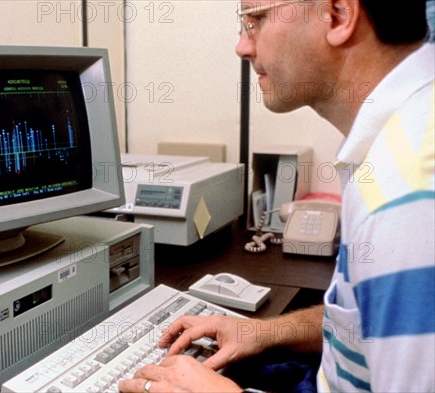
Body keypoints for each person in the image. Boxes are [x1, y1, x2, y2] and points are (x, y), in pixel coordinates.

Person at [119, 0, 434, 391]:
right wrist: (265, 332)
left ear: (338, 14)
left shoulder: (411, 187)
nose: (242, 46)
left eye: (255, 19)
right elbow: (368, 319)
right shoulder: (402, 136)